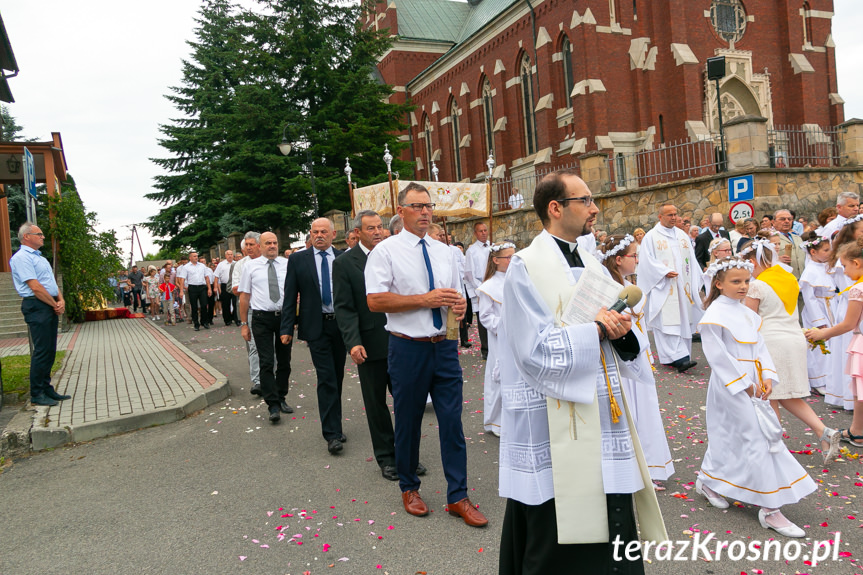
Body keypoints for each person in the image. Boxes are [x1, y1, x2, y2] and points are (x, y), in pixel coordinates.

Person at [497, 171, 665, 573]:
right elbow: (531, 351)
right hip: (553, 415)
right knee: (556, 523)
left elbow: (616, 330)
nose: (594, 208)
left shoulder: (591, 262)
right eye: (585, 200)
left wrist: (621, 334)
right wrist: (595, 330)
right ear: (556, 208)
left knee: (611, 511)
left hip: (601, 411)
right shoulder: (526, 267)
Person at [366, 182, 487, 528]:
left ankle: (458, 496)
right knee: (408, 420)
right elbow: (375, 300)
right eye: (417, 206)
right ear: (401, 211)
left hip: (444, 346)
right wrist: (424, 299)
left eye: (428, 206)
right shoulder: (385, 252)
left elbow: (453, 296)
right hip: (407, 347)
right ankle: (409, 487)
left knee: (452, 422)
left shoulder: (446, 251)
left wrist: (460, 306)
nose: (424, 212)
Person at [697, 256, 816, 538]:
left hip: (755, 383)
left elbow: (760, 348)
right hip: (731, 387)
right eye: (735, 281)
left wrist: (767, 377)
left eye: (746, 281)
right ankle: (770, 508)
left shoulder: (749, 314)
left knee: (735, 436)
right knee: (756, 437)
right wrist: (745, 384)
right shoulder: (715, 314)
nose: (743, 286)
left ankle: (710, 480)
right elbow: (717, 356)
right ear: (718, 283)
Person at [333, 210, 426, 481]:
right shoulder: (345, 263)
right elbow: (345, 308)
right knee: (376, 404)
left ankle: (408, 456)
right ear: (357, 232)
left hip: (402, 340)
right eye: (370, 228)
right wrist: (353, 343)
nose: (376, 232)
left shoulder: (393, 253)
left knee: (407, 402)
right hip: (370, 345)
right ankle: (387, 458)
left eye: (379, 227)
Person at [739, 236, 841, 465]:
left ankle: (774, 449)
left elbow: (750, 320)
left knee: (770, 397)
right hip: (794, 338)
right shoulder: (788, 276)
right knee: (786, 395)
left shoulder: (756, 285)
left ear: (753, 262)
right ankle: (823, 431)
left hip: (771, 343)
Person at [601, 234, 675, 491]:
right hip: (621, 360)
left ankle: (646, 467)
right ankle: (629, 468)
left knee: (644, 410)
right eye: (634, 255)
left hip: (640, 356)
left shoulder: (631, 286)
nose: (638, 260)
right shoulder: (609, 288)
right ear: (619, 260)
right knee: (628, 411)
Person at [281, 218, 347, 455]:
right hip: (315, 327)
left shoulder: (343, 257)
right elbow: (290, 295)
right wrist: (286, 328)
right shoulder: (298, 259)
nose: (319, 235)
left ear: (333, 233)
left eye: (323, 232)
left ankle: (336, 425)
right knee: (326, 377)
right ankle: (331, 434)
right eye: (315, 232)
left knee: (337, 376)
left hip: (341, 326)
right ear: (310, 234)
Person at [805, 237, 863, 449]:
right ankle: (857, 430)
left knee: (860, 390)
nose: (844, 273)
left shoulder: (858, 289)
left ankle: (858, 432)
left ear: (857, 263)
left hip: (861, 343)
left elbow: (849, 324)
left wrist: (823, 334)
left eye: (846, 266)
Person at [637, 203, 703, 372]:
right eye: (669, 215)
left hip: (683, 286)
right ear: (660, 217)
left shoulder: (682, 235)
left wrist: (698, 278)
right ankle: (679, 358)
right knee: (668, 322)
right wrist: (663, 271)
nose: (674, 217)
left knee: (683, 320)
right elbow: (646, 262)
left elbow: (691, 260)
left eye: (675, 214)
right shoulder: (651, 237)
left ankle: (677, 356)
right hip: (664, 287)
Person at [9, 222, 69, 407]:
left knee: (50, 349)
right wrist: (54, 304)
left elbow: (50, 282)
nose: (43, 237)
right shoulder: (21, 258)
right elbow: (34, 286)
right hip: (37, 305)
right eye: (39, 234)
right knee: (42, 350)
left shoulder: (40, 258)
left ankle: (46, 387)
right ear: (26, 236)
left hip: (49, 302)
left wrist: (61, 300)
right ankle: (37, 393)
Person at [238, 231, 293, 423]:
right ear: (260, 246)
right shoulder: (250, 267)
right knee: (267, 361)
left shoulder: (287, 265)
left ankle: (282, 396)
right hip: (261, 318)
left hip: (284, 318)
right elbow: (244, 297)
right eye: (268, 243)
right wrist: (244, 325)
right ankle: (273, 405)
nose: (272, 246)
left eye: (274, 243)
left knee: (284, 361)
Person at [476, 241, 515, 437]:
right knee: (500, 377)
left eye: (513, 257)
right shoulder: (489, 286)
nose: (511, 261)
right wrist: (505, 325)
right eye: (508, 257)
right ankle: (497, 422)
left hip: (518, 337)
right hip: (501, 339)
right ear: (495, 260)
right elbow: (485, 317)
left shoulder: (518, 280)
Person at [799, 234, 835, 396]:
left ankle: (832, 377)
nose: (829, 252)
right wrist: (819, 320)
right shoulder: (810, 271)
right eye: (826, 250)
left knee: (833, 344)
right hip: (819, 311)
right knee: (820, 347)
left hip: (831, 307)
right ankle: (819, 380)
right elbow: (809, 298)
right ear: (813, 252)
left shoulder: (826, 266)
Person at [233, 233, 264, 395]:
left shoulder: (268, 261)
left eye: (252, 244)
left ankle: (268, 377)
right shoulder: (241, 265)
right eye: (247, 245)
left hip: (267, 309)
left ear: (259, 245)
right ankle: (257, 381)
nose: (249, 248)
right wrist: (255, 287)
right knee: (253, 346)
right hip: (250, 309)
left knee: (269, 346)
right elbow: (235, 288)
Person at [465, 221, 491, 359]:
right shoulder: (472, 251)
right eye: (480, 231)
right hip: (480, 288)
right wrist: (480, 287)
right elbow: (469, 273)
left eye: (485, 230)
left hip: (493, 286)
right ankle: (486, 349)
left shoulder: (493, 247)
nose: (484, 233)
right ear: (475, 233)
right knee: (483, 319)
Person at [176, 251, 211, 331]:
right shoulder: (186, 267)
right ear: (190, 258)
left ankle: (204, 321)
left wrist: (209, 288)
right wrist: (181, 291)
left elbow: (206, 277)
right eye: (194, 256)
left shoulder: (202, 266)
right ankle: (196, 323)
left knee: (204, 305)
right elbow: (182, 279)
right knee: (194, 306)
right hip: (192, 287)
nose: (196, 257)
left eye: (197, 256)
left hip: (202, 287)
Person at [773, 209, 806, 278]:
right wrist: (776, 259)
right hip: (783, 279)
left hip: (802, 279)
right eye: (782, 219)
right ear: (774, 222)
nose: (787, 221)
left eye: (789, 219)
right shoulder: (770, 238)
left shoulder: (798, 238)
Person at [214, 250, 238, 326]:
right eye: (228, 254)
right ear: (225, 255)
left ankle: (236, 318)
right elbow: (216, 276)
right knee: (226, 303)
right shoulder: (221, 265)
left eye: (231, 254)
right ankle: (227, 320)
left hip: (234, 284)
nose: (230, 256)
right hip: (225, 285)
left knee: (236, 302)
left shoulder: (236, 264)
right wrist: (215, 287)